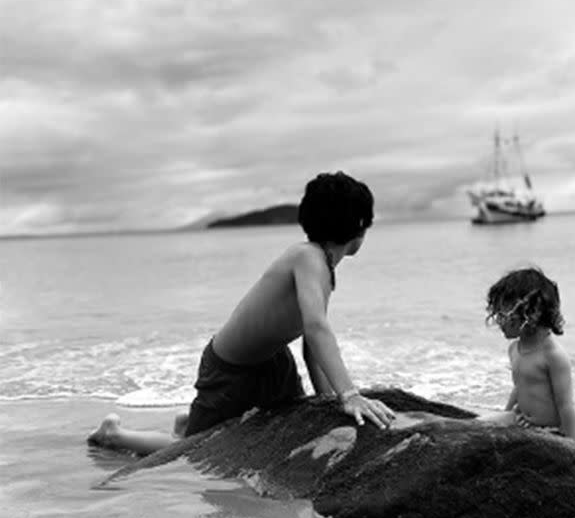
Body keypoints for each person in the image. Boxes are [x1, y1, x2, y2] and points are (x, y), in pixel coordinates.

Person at [88, 172, 396, 455]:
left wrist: (328, 399)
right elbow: (317, 328)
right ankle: (114, 435)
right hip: (231, 368)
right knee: (192, 451)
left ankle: (190, 423)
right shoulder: (308, 257)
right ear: (358, 225)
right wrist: (350, 394)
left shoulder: (321, 266)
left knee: (290, 427)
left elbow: (310, 341)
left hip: (274, 363)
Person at [482, 266, 575, 441]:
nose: (498, 322)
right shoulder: (514, 349)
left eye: (502, 315)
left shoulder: (553, 355)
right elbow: (520, 386)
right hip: (522, 422)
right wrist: (508, 414)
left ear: (530, 314)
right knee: (477, 426)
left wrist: (574, 445)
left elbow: (565, 406)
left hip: (549, 431)